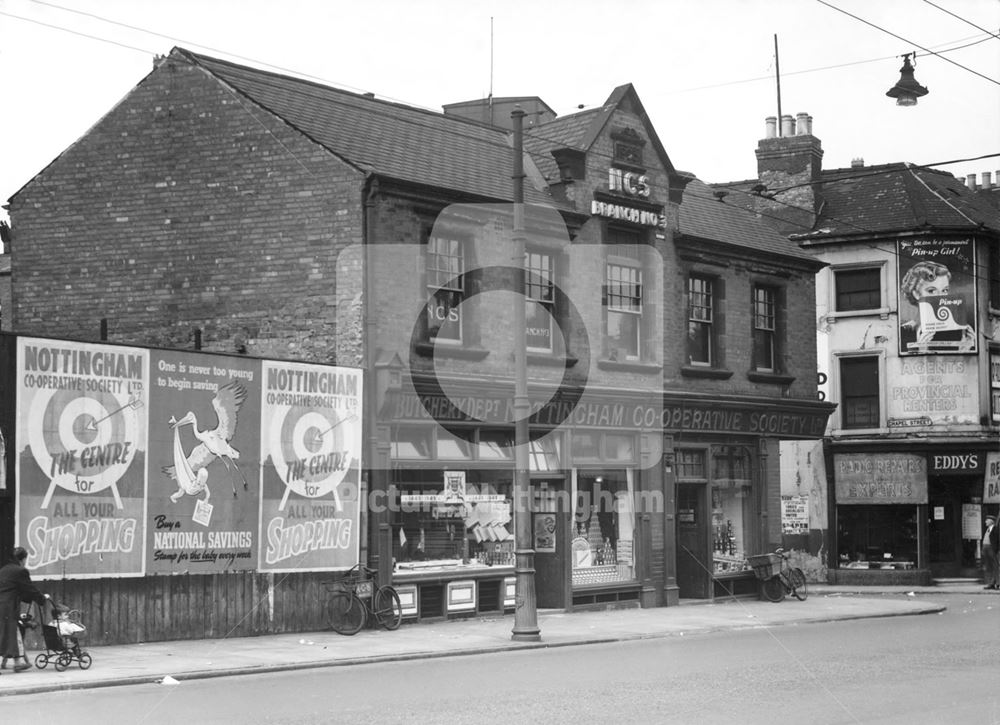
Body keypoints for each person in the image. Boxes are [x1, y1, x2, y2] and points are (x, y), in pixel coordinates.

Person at [0, 546, 47, 673]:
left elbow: (15, 589)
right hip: (7, 607)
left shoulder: (4, 569)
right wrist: (42, 599)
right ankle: (17, 662)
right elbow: (29, 589)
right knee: (10, 633)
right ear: (23, 558)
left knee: (9, 633)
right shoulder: (21, 571)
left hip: (3, 606)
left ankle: (17, 662)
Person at [983, 515, 999, 591]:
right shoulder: (987, 529)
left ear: (991, 521)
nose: (985, 522)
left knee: (995, 566)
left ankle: (998, 583)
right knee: (989, 566)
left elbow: (997, 541)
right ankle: (991, 583)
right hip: (985, 548)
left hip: (992, 549)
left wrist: (996, 550)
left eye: (987, 520)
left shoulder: (995, 530)